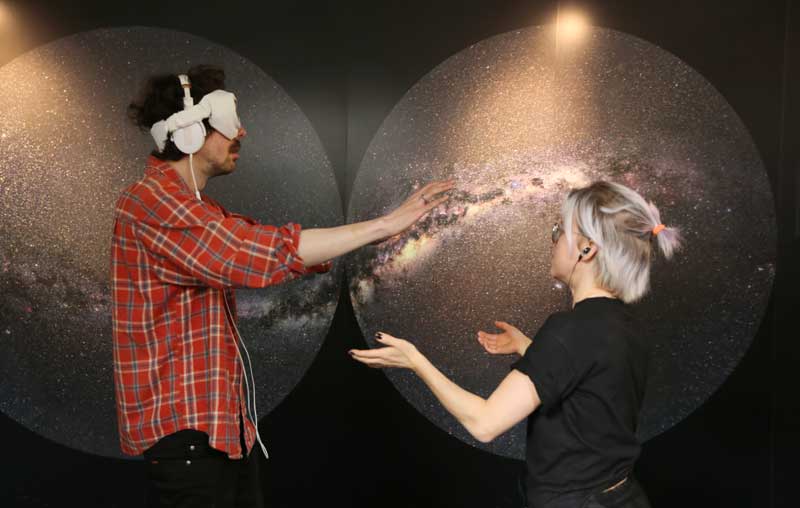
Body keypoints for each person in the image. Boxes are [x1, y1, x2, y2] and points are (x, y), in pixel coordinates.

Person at [111, 64, 454, 507]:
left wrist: (374, 232)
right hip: (190, 442)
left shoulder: (197, 210)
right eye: (228, 122)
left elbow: (261, 244)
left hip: (217, 438)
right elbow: (253, 251)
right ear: (192, 133)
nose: (243, 133)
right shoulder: (150, 204)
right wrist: (385, 224)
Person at [350, 181, 682, 508]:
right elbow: (589, 389)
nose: (552, 241)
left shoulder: (570, 331)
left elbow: (484, 423)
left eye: (558, 231)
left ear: (586, 248)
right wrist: (530, 348)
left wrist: (414, 360)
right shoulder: (624, 326)